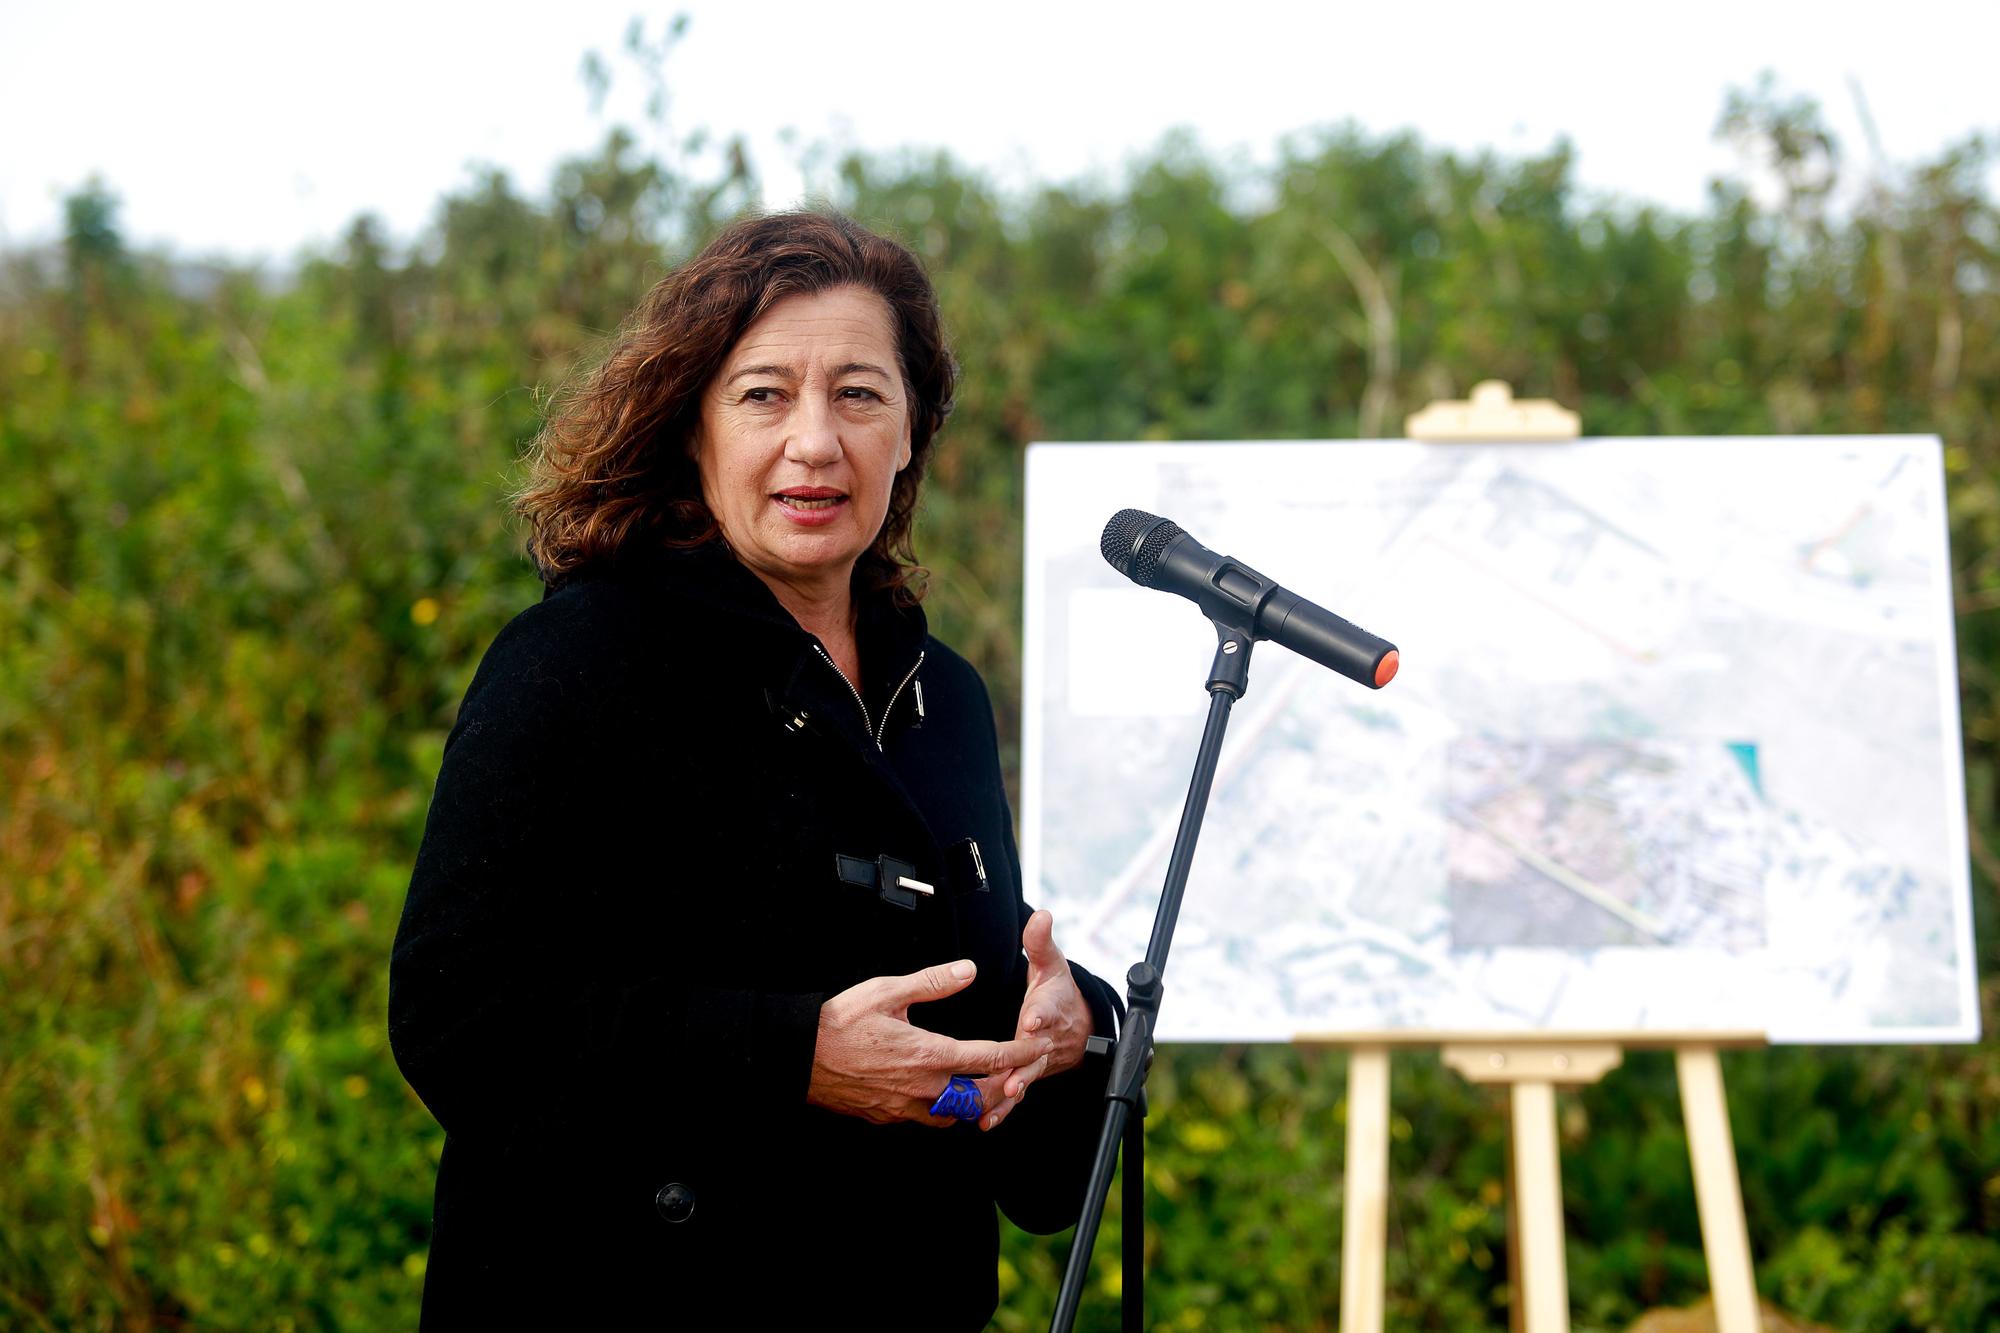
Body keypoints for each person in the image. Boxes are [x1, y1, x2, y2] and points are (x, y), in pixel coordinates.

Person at [388, 210, 1121, 1328]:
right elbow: (459, 1016)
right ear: (695, 428)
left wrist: (1063, 1037)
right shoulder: (580, 661)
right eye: (764, 394)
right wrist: (793, 1057)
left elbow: (975, 1064)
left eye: (860, 395)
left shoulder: (945, 699)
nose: (815, 442)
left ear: (912, 432)